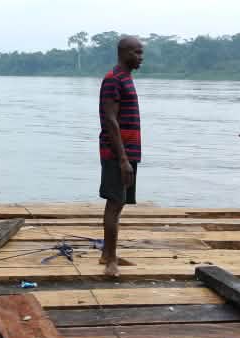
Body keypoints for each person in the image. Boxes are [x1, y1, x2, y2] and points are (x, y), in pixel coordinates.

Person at [98, 36, 144, 278]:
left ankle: (107, 253)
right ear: (124, 52)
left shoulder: (126, 78)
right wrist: (123, 159)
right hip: (118, 153)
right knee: (114, 203)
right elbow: (110, 120)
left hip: (129, 150)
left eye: (141, 52)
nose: (140, 57)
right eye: (136, 52)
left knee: (120, 202)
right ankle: (110, 261)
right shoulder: (113, 79)